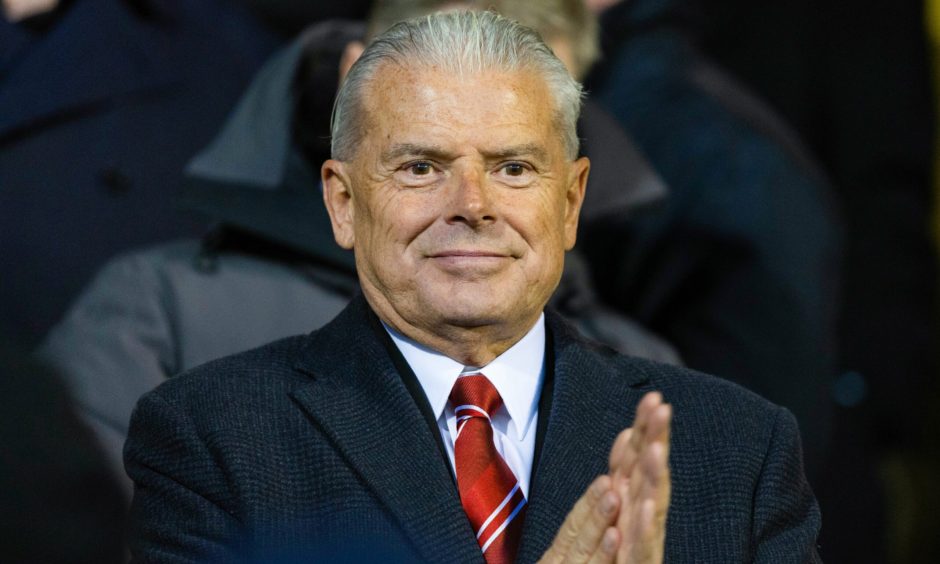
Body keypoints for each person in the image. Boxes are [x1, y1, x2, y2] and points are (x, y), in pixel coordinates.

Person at [125, 11, 820, 562]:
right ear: (341, 202)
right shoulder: (211, 439)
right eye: (422, 168)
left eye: (514, 168)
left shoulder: (737, 449)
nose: (473, 204)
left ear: (571, 202)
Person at [40, 3, 678, 492]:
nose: (474, 200)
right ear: (356, 71)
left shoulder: (653, 382)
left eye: (515, 149)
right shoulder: (155, 317)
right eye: (440, 96)